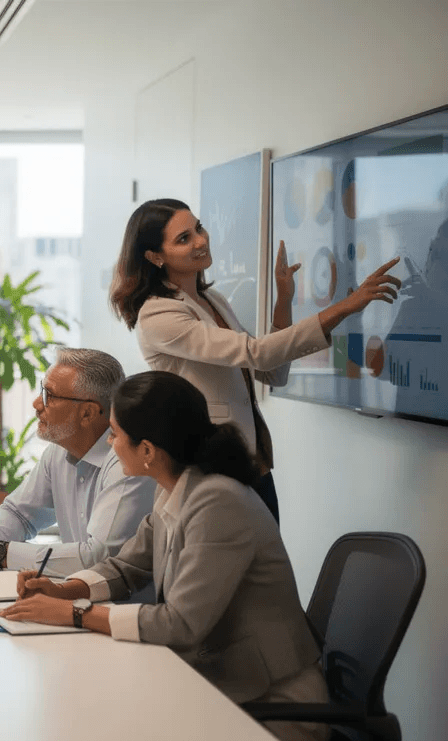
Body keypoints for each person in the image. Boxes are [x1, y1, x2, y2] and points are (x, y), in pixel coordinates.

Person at [0, 371, 329, 741]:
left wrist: (76, 614)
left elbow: (182, 626)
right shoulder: (174, 487)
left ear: (148, 450)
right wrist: (65, 590)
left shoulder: (217, 503)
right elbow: (127, 567)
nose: (109, 442)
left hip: (272, 709)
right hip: (221, 687)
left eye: (116, 434)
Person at [109, 198, 400, 521]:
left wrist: (284, 302)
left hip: (251, 460)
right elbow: (256, 353)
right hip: (211, 467)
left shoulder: (211, 299)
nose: (201, 240)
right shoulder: (158, 314)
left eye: (198, 228)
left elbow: (272, 372)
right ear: (154, 256)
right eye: (184, 238)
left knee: (265, 563)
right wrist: (346, 306)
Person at [0, 348, 154, 577]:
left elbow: (99, 558)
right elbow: (19, 514)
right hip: (74, 596)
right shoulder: (58, 452)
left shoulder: (127, 462)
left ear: (87, 413)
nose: (37, 404)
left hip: (120, 608)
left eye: (50, 395)